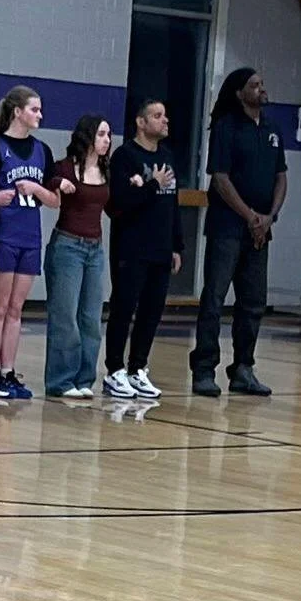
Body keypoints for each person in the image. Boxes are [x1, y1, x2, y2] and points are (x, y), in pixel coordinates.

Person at [190, 68, 287, 397]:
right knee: (214, 298)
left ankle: (244, 368)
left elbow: (281, 176)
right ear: (239, 93)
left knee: (254, 302)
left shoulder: (273, 129)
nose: (261, 89)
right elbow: (220, 179)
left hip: (260, 231)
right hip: (227, 227)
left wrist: (269, 218)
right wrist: (250, 216)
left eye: (262, 84)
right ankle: (204, 368)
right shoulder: (226, 127)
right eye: (254, 85)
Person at [0, 86, 72, 399]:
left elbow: (54, 201)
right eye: (34, 109)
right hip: (2, 236)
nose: (40, 115)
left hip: (30, 237)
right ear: (17, 112)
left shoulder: (42, 151)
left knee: (17, 309)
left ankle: (8, 370)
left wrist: (35, 188)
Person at [104, 99, 183, 400]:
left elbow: (172, 204)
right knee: (123, 308)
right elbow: (120, 203)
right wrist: (151, 184)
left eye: (165, 115)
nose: (165, 120)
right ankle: (114, 370)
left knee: (152, 312)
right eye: (157, 115)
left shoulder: (167, 156)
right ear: (141, 122)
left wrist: (177, 245)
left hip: (161, 248)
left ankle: (138, 368)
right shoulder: (125, 157)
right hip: (131, 247)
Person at [43, 114, 112, 398]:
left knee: (91, 318)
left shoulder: (107, 170)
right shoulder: (65, 167)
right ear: (87, 137)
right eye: (101, 134)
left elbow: (115, 205)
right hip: (68, 247)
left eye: (108, 135)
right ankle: (61, 380)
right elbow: (46, 183)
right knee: (65, 316)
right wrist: (57, 183)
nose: (107, 140)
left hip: (95, 249)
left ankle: (84, 380)